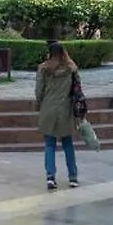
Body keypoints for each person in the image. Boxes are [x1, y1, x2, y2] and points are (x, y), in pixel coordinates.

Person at [35, 40, 80, 191]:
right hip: (65, 109)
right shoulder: (71, 69)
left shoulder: (43, 69)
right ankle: (73, 177)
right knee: (68, 144)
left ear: (50, 53)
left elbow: (38, 91)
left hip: (48, 108)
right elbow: (78, 89)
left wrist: (39, 104)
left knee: (49, 144)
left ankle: (50, 177)